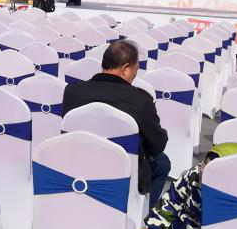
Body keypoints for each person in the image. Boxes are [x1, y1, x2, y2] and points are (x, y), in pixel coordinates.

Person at [63, 40, 170, 199]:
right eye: (136, 70)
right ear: (125, 69)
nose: (135, 75)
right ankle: (143, 211)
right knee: (162, 162)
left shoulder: (72, 91)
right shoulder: (141, 100)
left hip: (77, 165)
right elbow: (157, 145)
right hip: (122, 174)